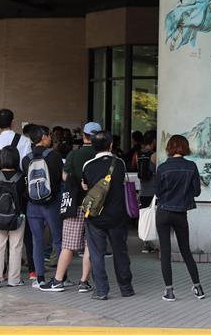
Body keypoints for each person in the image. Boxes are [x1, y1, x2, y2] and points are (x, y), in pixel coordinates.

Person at [40, 123, 99, 293]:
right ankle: (84, 282)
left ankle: (58, 280)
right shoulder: (100, 155)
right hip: (95, 205)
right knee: (90, 245)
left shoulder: (74, 154)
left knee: (68, 245)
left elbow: (65, 176)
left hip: (75, 204)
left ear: (84, 136)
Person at [81, 130, 134, 300]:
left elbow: (85, 185)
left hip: (95, 216)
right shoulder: (120, 164)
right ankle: (126, 288)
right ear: (111, 145)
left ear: (93, 146)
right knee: (120, 252)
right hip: (117, 216)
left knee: (96, 253)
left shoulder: (88, 165)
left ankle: (101, 290)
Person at [155, 134, 204, 302]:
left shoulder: (162, 168)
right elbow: (196, 192)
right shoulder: (191, 166)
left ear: (169, 148)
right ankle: (198, 287)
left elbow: (157, 192)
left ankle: (169, 291)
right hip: (181, 214)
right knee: (185, 251)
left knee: (165, 252)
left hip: (163, 212)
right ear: (185, 147)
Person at [20, 125, 65, 288]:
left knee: (37, 241)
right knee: (58, 240)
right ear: (44, 137)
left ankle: (39, 278)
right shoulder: (54, 156)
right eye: (49, 136)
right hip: (51, 203)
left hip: (32, 204)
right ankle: (61, 277)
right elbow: (61, 178)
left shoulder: (26, 159)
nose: (50, 138)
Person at [0, 146, 28, 288]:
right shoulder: (21, 177)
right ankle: (14, 280)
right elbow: (24, 196)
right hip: (17, 217)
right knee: (16, 247)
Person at [137, 130, 158, 253]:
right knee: (153, 217)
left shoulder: (139, 154)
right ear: (154, 141)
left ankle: (146, 244)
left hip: (144, 190)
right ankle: (154, 242)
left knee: (144, 217)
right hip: (153, 190)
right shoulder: (154, 155)